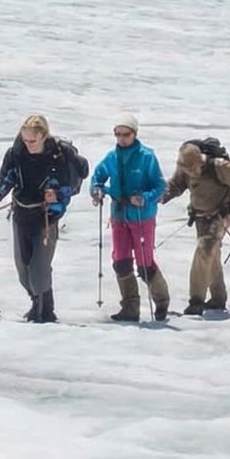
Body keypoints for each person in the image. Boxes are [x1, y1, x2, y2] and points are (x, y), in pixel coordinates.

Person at [0, 115, 84, 323]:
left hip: (46, 218)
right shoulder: (16, 154)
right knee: (23, 269)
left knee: (39, 267)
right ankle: (37, 303)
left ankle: (45, 312)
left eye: (32, 140)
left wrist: (56, 198)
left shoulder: (57, 157)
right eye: (25, 140)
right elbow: (7, 179)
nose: (28, 144)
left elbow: (68, 188)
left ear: (43, 136)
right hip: (21, 214)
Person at [90, 117, 169, 323]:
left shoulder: (147, 157)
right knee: (121, 261)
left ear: (134, 134)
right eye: (118, 134)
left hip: (141, 216)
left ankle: (161, 300)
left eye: (126, 134)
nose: (122, 139)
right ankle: (130, 307)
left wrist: (145, 198)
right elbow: (98, 176)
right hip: (118, 213)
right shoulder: (111, 157)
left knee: (144, 263)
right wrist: (96, 190)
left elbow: (160, 185)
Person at [161, 141, 230, 315]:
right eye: (187, 170)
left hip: (220, 215)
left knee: (204, 251)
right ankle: (218, 298)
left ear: (201, 161)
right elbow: (176, 185)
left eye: (194, 168)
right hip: (200, 217)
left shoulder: (219, 167)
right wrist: (162, 196)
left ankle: (196, 301)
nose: (191, 173)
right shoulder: (185, 167)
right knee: (212, 254)